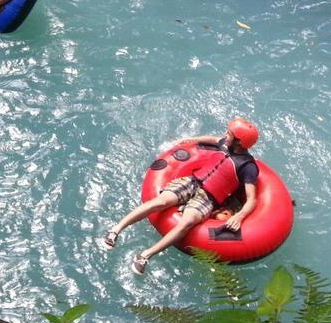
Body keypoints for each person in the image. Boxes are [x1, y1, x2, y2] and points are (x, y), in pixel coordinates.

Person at [104, 118, 260, 276]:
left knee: (188, 221)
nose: (226, 134)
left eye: (230, 133)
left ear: (239, 142)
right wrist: (193, 139)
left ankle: (144, 256)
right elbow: (213, 139)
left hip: (209, 198)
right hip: (192, 181)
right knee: (161, 202)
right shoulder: (224, 143)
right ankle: (115, 230)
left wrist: (239, 216)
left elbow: (251, 198)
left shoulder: (248, 167)